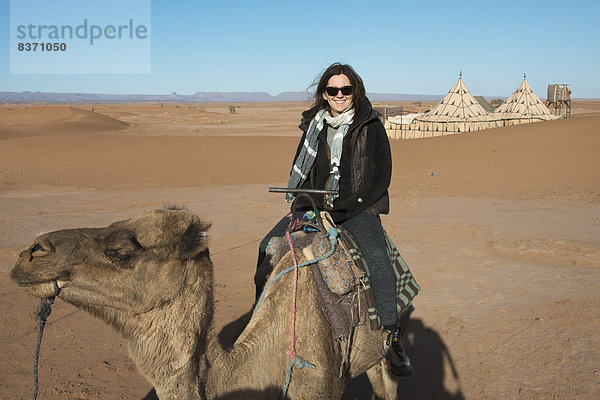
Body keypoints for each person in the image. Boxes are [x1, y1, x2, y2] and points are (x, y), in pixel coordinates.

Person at [255, 62, 411, 376]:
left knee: (377, 257)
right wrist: (304, 200)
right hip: (313, 206)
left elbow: (381, 177)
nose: (339, 95)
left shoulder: (370, 125)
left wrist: (348, 206)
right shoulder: (313, 125)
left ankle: (391, 336)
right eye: (332, 90)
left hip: (356, 210)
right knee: (267, 246)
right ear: (324, 94)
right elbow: (303, 171)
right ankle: (259, 324)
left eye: (345, 89)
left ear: (355, 91)